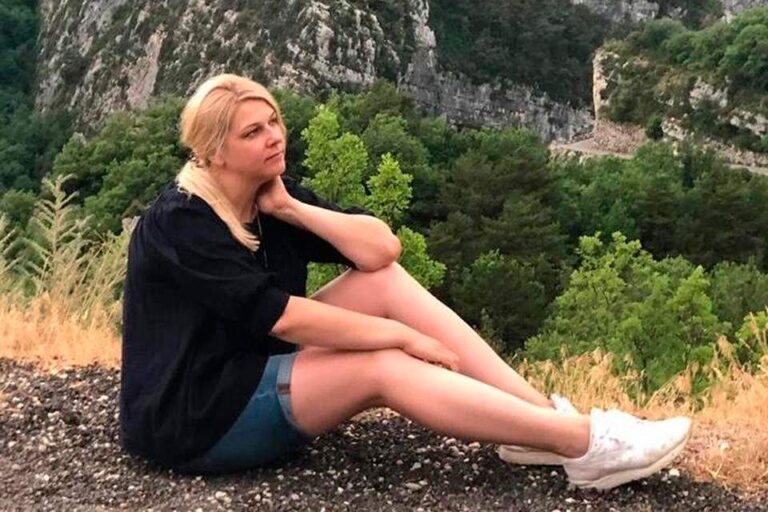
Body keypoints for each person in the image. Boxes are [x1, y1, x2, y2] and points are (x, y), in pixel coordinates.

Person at [119, 73, 692, 490]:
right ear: (214, 151)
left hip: (255, 368)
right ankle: (585, 444)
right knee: (381, 366)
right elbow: (284, 317)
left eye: (274, 121)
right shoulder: (181, 222)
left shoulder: (270, 197)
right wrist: (401, 337)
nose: (274, 137)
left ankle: (538, 422)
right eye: (253, 132)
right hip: (195, 417)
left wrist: (294, 209)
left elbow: (381, 251)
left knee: (384, 283)